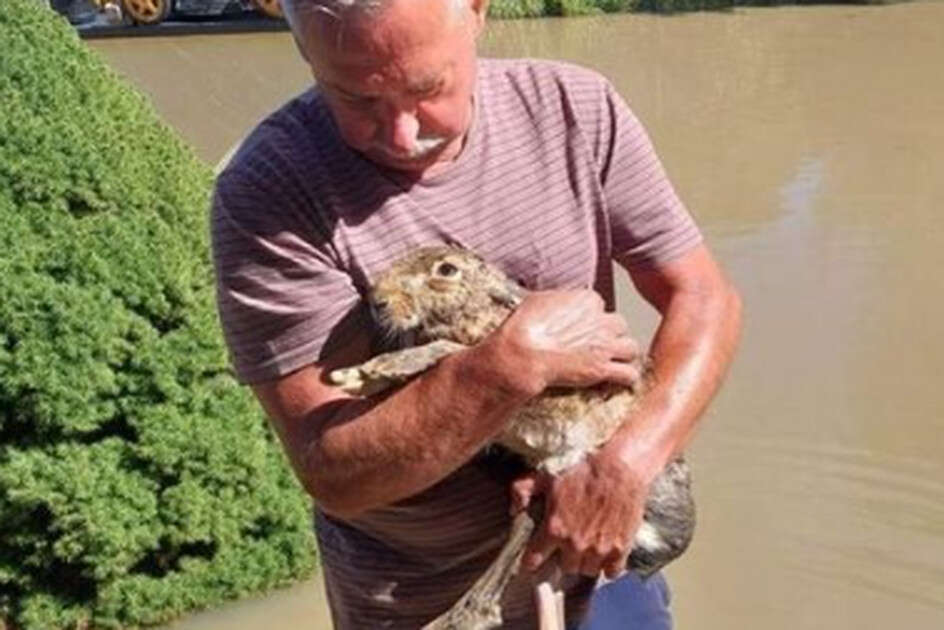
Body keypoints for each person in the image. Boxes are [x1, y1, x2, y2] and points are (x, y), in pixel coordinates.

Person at [210, 0, 742, 626]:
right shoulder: (271, 191)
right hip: (421, 598)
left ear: (477, 11)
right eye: (357, 98)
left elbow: (704, 297)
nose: (404, 132)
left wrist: (623, 465)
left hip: (606, 556)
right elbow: (335, 471)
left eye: (427, 88)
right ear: (304, 50)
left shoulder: (575, 107)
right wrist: (511, 365)